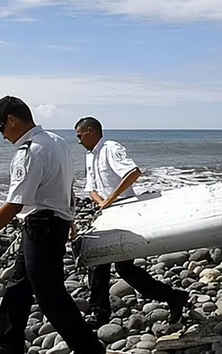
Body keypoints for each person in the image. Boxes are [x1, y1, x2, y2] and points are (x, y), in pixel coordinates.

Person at [0, 96, 106, 354]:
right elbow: (66, 185)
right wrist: (69, 218)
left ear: (12, 120)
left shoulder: (29, 151)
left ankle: (90, 349)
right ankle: (8, 345)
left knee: (50, 297)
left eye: (0, 126)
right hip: (50, 224)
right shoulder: (57, 142)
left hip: (41, 227)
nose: (1, 134)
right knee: (18, 288)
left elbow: (15, 204)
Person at [74, 117, 189, 328]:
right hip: (108, 214)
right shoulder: (90, 156)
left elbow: (133, 173)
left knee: (116, 265)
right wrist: (101, 202)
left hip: (125, 211)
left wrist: (111, 200)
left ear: (90, 131)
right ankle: (172, 297)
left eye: (80, 136)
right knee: (113, 265)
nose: (79, 141)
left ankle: (99, 313)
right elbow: (91, 187)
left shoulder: (110, 148)